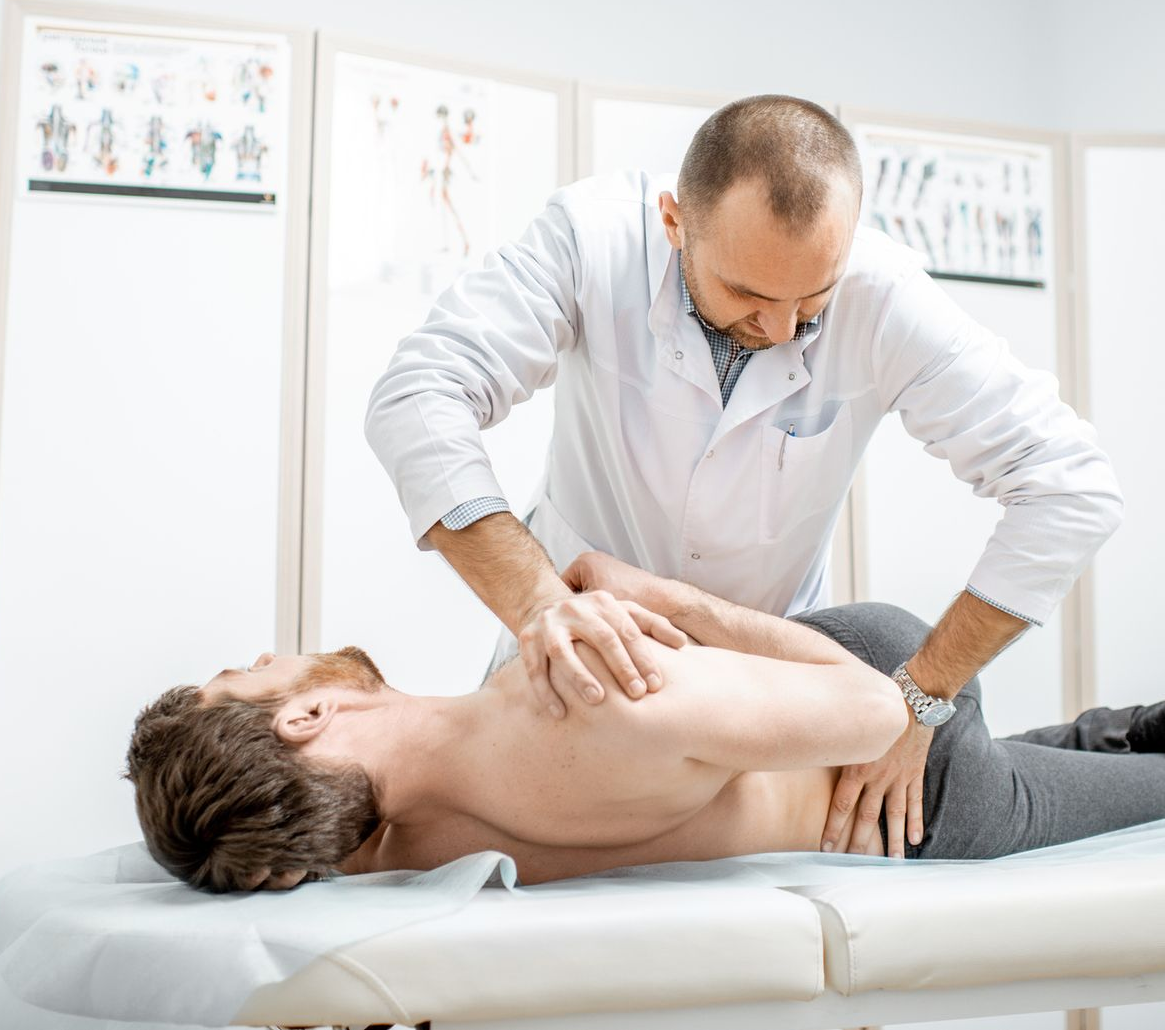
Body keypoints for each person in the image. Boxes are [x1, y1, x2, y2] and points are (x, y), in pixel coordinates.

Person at [364, 95, 1125, 857]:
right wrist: (534, 603)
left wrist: (923, 696)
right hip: (574, 655)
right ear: (674, 223)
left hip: (768, 688)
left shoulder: (885, 296)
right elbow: (418, 395)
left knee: (993, 800)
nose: (785, 330)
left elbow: (1072, 486)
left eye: (814, 301)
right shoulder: (594, 239)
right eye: (751, 297)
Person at [124, 554, 1165, 893]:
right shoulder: (551, 716)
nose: (265, 650)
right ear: (304, 712)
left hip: (852, 728)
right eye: (242, 672)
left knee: (1108, 783)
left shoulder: (383, 852)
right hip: (883, 750)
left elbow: (864, 706)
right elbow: (857, 706)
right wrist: (662, 595)